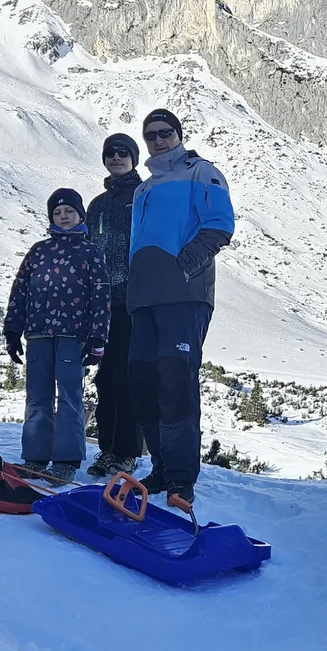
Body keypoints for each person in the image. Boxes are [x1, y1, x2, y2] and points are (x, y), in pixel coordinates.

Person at [126, 108, 234, 514]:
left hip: (184, 295)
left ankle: (181, 477)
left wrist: (185, 264)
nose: (157, 140)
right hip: (143, 298)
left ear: (179, 134)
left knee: (175, 382)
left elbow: (221, 223)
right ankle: (160, 467)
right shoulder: (144, 188)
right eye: (150, 135)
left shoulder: (201, 172)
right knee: (143, 383)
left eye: (165, 133)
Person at [3, 188, 110, 481]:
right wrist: (13, 328)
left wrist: (98, 337)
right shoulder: (39, 250)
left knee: (70, 397)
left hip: (73, 336)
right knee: (37, 397)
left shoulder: (90, 252)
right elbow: (20, 289)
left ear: (80, 216)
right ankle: (35, 456)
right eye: (57, 213)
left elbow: (101, 296)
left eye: (69, 212)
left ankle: (67, 459)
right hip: (37, 334)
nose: (63, 217)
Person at [84, 131, 144, 477]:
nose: (117, 158)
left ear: (134, 158)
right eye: (111, 154)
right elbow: (90, 252)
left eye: (123, 153)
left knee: (128, 376)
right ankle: (107, 449)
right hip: (103, 303)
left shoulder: (144, 197)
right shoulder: (98, 205)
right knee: (105, 378)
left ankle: (128, 451)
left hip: (134, 301)